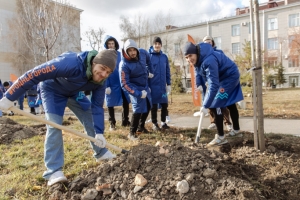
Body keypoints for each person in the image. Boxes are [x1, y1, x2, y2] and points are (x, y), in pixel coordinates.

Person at [0, 49, 118, 186]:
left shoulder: (101, 81)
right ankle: (53, 171)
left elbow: (97, 106)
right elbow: (33, 74)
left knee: (89, 113)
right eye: (102, 68)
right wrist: (9, 96)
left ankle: (101, 152)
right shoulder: (70, 63)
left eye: (108, 72)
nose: (104, 74)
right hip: (52, 91)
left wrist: (99, 132)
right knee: (54, 125)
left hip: (74, 93)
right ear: (94, 62)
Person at [184, 42, 243, 146]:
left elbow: (214, 85)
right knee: (228, 102)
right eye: (186, 57)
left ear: (195, 53)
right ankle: (236, 131)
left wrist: (206, 105)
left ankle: (221, 137)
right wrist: (199, 84)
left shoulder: (208, 60)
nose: (189, 59)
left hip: (229, 76)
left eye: (190, 56)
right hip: (223, 77)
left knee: (216, 103)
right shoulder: (199, 60)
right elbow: (198, 72)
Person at [120, 39, 153, 140]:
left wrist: (150, 71)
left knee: (148, 105)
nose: (133, 52)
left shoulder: (142, 53)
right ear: (126, 51)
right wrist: (138, 93)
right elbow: (125, 84)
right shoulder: (124, 65)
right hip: (134, 88)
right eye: (130, 50)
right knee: (138, 109)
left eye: (134, 49)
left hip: (145, 85)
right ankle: (132, 133)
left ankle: (141, 127)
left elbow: (149, 60)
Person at [202, 35, 232, 131]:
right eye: (205, 42)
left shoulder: (219, 52)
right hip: (210, 82)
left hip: (220, 81)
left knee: (222, 102)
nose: (207, 43)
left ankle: (227, 122)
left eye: (209, 42)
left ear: (212, 43)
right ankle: (213, 122)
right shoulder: (203, 55)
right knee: (211, 103)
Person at [103, 35, 131, 131]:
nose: (111, 45)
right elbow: (103, 71)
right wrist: (106, 85)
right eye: (109, 44)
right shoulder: (104, 56)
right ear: (106, 45)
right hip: (111, 83)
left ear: (115, 44)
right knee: (110, 103)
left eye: (112, 43)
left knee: (126, 101)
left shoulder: (120, 55)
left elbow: (125, 67)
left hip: (121, 82)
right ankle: (112, 123)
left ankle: (125, 120)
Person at [148, 36, 171, 130]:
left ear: (161, 45)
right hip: (152, 86)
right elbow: (145, 69)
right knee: (153, 105)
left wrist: (168, 84)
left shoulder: (164, 57)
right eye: (155, 44)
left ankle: (163, 123)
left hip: (162, 86)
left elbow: (167, 71)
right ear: (153, 45)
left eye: (159, 44)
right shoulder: (149, 56)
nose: (157, 45)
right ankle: (154, 123)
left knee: (164, 104)